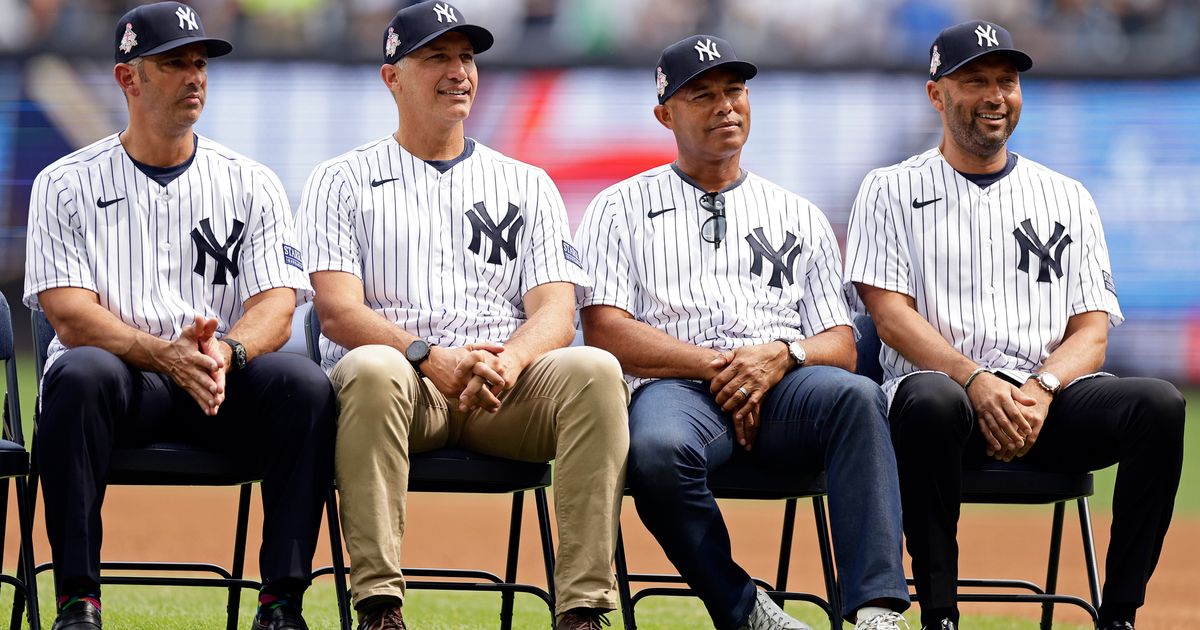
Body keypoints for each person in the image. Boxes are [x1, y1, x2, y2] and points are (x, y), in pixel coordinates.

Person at [294, 2, 630, 629]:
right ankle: (378, 606)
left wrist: (512, 358)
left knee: (595, 368)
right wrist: (427, 356)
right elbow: (338, 311)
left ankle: (584, 610)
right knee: (369, 367)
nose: (459, 72)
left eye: (467, 57)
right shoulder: (339, 180)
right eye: (436, 57)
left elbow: (557, 307)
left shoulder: (526, 182)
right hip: (403, 385)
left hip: (503, 389)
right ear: (392, 76)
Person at [844, 20, 1186, 630]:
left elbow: (1092, 331)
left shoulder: (1067, 195)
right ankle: (940, 616)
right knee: (927, 400)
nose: (996, 95)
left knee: (1157, 405)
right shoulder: (889, 188)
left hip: (1042, 403)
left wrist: (1041, 390)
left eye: (1007, 80)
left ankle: (1120, 616)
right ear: (936, 94)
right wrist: (975, 380)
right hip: (938, 403)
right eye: (975, 80)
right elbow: (889, 316)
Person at [575, 35, 911, 630]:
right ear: (665, 114)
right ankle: (743, 608)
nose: (724, 105)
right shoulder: (617, 207)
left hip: (785, 388)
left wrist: (781, 357)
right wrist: (725, 366)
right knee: (655, 452)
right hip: (675, 387)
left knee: (858, 399)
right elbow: (606, 330)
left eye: (735, 90)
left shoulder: (797, 212)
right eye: (701, 94)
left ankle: (876, 610)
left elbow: (841, 341)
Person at [22, 3, 336, 630]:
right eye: (174, 63)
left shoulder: (252, 181)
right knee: (79, 373)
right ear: (127, 79)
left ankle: (281, 603)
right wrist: (164, 354)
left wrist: (229, 353)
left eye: (200, 63)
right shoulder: (63, 183)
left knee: (304, 385)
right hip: (119, 387)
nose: (194, 76)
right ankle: (77, 601)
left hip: (217, 385)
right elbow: (69, 317)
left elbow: (277, 304)